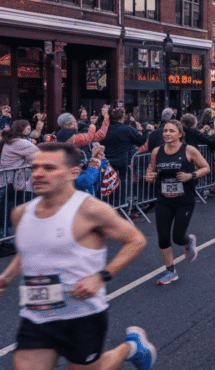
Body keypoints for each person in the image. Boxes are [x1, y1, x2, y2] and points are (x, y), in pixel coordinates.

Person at [0, 142, 156, 369]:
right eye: (35, 168)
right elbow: (28, 252)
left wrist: (101, 276)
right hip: (37, 316)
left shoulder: (90, 209)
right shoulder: (21, 213)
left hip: (82, 316)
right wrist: (6, 277)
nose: (38, 174)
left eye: (49, 168)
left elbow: (136, 240)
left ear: (73, 172)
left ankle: (131, 348)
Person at [144, 120, 211, 285]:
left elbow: (206, 167)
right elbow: (151, 170)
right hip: (163, 199)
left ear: (180, 134)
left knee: (178, 237)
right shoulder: (157, 151)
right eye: (165, 130)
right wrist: (149, 176)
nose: (167, 133)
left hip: (184, 200)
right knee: (163, 237)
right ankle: (170, 271)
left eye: (171, 131)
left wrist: (191, 176)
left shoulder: (189, 150)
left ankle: (189, 241)